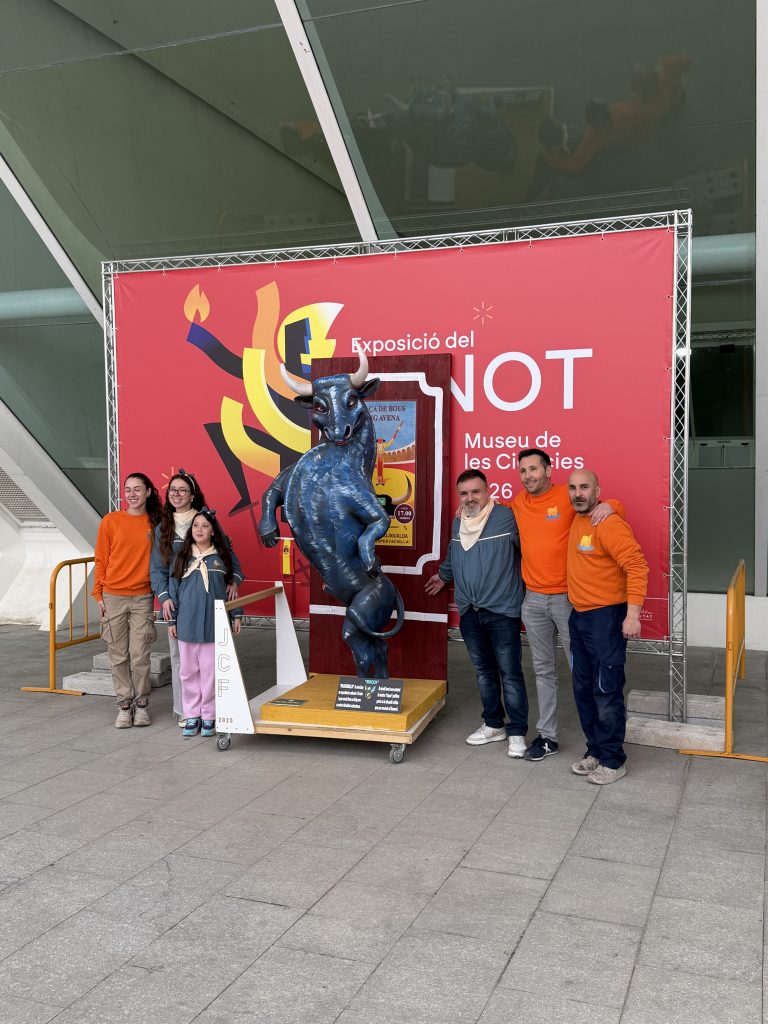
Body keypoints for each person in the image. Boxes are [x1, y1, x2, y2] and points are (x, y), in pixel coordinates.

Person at [514, 449, 621, 761]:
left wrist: (612, 505)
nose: (528, 476)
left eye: (534, 469)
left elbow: (608, 505)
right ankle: (548, 737)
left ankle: (598, 744)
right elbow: (490, 511)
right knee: (542, 670)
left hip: (568, 599)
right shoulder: (519, 502)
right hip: (533, 600)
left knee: (583, 672)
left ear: (549, 470)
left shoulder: (567, 495)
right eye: (523, 471)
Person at [425, 470, 529, 757]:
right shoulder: (459, 521)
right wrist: (443, 576)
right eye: (464, 493)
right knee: (484, 672)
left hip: (502, 610)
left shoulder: (507, 517)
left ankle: (517, 732)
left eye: (476, 492)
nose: (470, 498)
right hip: (470, 611)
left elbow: (532, 550)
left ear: (487, 491)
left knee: (510, 673)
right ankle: (494, 724)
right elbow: (454, 553)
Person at [567, 469, 648, 785]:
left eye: (584, 487)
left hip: (606, 618)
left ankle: (613, 761)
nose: (578, 493)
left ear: (598, 491)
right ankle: (596, 751)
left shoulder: (609, 523)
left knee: (606, 689)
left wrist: (633, 615)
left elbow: (637, 566)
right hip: (580, 616)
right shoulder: (578, 519)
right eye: (573, 487)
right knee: (584, 689)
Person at [150, 469, 238, 726]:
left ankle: (210, 711)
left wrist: (234, 580)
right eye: (172, 490)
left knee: (210, 663)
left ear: (192, 495)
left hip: (208, 603)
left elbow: (228, 556)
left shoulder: (206, 520)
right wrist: (165, 597)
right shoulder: (163, 528)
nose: (176, 494)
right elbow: (158, 568)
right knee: (181, 659)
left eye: (182, 490)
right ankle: (186, 711)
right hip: (179, 600)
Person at [92, 472, 162, 728]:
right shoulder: (111, 521)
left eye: (137, 489)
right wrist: (98, 593)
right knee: (118, 654)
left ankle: (141, 704)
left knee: (140, 654)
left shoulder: (157, 523)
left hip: (142, 596)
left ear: (148, 492)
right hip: (113, 596)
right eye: (128, 489)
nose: (132, 494)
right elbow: (101, 558)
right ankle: (124, 705)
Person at [168, 508, 243, 738]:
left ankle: (209, 715)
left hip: (213, 625)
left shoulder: (221, 559)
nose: (199, 529)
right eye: (195, 525)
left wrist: (236, 615)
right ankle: (192, 714)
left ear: (213, 531)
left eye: (205, 526)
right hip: (186, 624)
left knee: (210, 673)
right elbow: (173, 590)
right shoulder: (182, 557)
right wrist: (172, 621)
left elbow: (232, 591)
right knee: (188, 672)